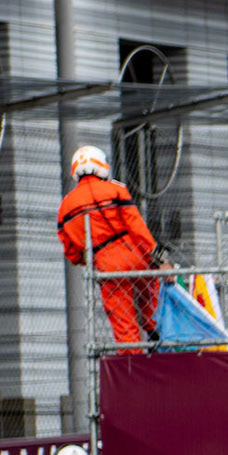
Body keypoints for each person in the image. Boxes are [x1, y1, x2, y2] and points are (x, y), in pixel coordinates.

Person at [57, 146, 159, 350]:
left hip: (107, 265)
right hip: (135, 254)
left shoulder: (66, 206)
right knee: (151, 300)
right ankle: (156, 334)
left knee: (124, 325)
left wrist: (89, 258)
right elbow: (136, 226)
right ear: (100, 166)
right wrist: (155, 253)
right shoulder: (116, 189)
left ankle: (133, 368)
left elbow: (71, 252)